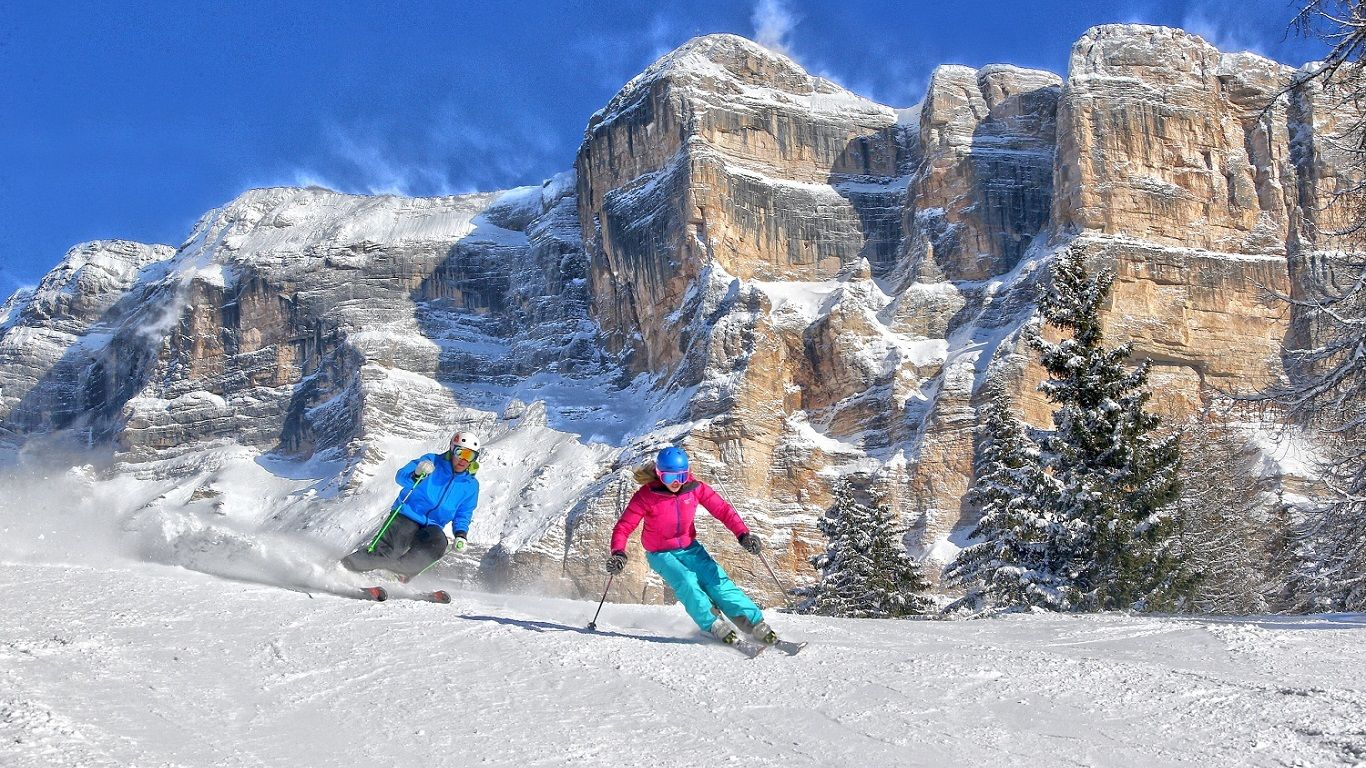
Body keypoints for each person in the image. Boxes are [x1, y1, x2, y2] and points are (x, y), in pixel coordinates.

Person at [606, 445, 782, 647]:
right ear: (659, 474)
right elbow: (624, 526)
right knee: (687, 581)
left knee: (716, 581)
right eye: (669, 477)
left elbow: (723, 510)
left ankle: (754, 623)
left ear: (687, 474)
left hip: (690, 547)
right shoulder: (646, 496)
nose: (675, 483)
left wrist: (743, 534)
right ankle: (713, 624)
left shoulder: (695, 489)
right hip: (660, 553)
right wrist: (618, 553)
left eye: (681, 477)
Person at [342, 432, 481, 581]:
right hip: (408, 514)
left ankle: (396, 574)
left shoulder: (471, 485)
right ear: (452, 450)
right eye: (461, 453)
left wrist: (461, 535)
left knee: (438, 543)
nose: (463, 459)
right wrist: (417, 473)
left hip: (433, 525)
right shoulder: (431, 461)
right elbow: (401, 476)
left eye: (470, 456)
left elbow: (464, 513)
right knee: (390, 549)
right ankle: (345, 567)